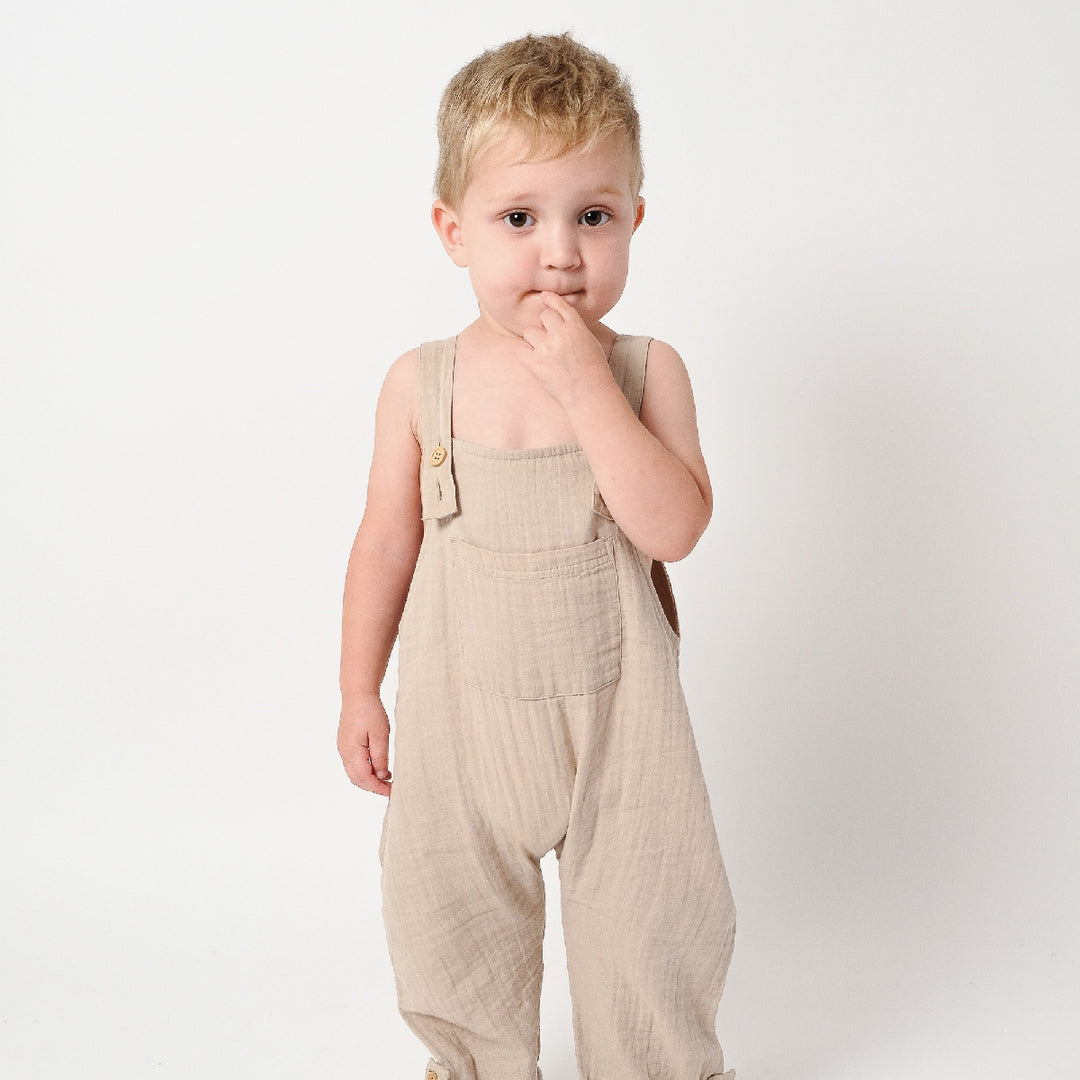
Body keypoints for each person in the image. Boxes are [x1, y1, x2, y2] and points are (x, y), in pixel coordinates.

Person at [338, 32, 736, 1080]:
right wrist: (357, 690)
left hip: (622, 726)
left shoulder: (647, 371)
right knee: (444, 916)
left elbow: (674, 528)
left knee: (652, 916)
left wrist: (586, 390)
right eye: (520, 218)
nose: (560, 252)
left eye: (592, 217)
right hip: (463, 721)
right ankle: (474, 1067)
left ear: (633, 223)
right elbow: (386, 538)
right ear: (453, 231)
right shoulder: (418, 383)